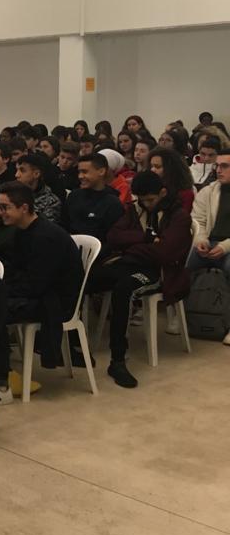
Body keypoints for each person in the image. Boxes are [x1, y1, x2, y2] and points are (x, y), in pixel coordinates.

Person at [0, 182, 83, 408]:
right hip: (38, 292)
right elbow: (17, 272)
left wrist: (0, 291)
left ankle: (1, 385)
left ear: (23, 208)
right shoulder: (22, 231)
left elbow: (36, 285)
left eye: (5, 207)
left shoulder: (46, 237)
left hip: (54, 302)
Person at [85, 171, 191, 388]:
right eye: (142, 200)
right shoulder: (136, 209)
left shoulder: (179, 216)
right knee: (87, 278)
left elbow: (166, 253)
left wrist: (132, 248)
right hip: (129, 263)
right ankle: (73, 344)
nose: (147, 204)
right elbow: (114, 236)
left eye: (150, 200)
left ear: (163, 192)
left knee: (124, 290)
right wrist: (146, 239)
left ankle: (118, 360)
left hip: (159, 272)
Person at [188, 148, 230, 277]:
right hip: (210, 242)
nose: (218, 170)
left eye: (224, 166)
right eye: (217, 165)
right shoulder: (208, 192)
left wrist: (225, 247)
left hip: (228, 245)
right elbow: (198, 221)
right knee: (189, 263)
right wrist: (201, 240)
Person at [66, 153, 125, 243]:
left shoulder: (113, 203)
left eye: (85, 172)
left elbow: (112, 238)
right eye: (79, 172)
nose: (80, 176)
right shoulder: (74, 196)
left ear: (101, 171)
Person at [15, 153, 63, 224]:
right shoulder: (12, 194)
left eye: (22, 170)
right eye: (17, 170)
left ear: (36, 174)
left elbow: (43, 227)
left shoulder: (51, 202)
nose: (16, 175)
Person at [148, 147, 195, 213]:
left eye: (157, 167)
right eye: (151, 166)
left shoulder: (185, 194)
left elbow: (182, 217)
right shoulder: (150, 187)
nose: (152, 170)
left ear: (170, 169)